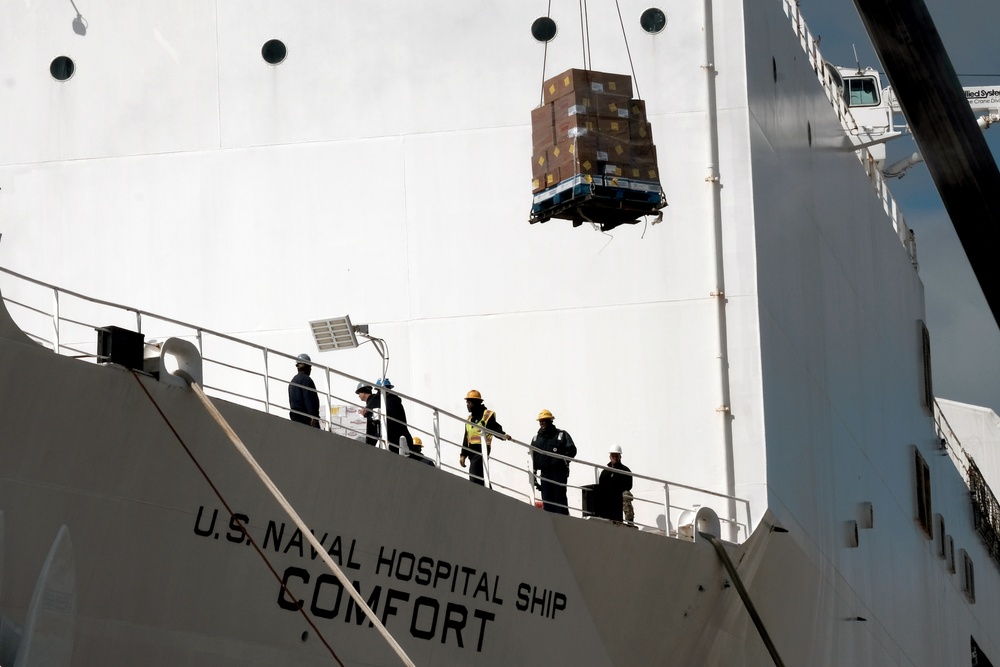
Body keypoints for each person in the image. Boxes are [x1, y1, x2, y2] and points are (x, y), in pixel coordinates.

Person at [460, 390, 511, 485]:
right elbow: (466, 438)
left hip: (481, 451)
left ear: (476, 403)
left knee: (474, 478)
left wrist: (503, 435)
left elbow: (495, 427)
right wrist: (463, 455)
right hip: (472, 453)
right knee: (481, 478)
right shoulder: (469, 419)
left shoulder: (486, 415)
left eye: (469, 402)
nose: (467, 405)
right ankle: (491, 496)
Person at [531, 409, 576, 514]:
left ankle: (564, 522)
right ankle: (549, 523)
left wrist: (562, 462)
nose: (542, 423)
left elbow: (572, 450)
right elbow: (532, 456)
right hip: (545, 474)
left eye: (544, 421)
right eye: (540, 421)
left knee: (560, 500)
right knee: (547, 501)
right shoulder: (536, 439)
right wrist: (533, 475)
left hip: (558, 473)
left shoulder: (561, 435)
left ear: (550, 421)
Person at [597, 444, 633, 522]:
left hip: (619, 498)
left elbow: (629, 485)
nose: (615, 457)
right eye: (613, 455)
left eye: (617, 455)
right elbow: (601, 487)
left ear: (620, 456)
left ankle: (630, 521)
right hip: (608, 498)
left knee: (626, 495)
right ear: (610, 457)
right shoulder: (605, 472)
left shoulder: (625, 471)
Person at [378, 378, 413, 454]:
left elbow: (392, 420)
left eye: (378, 391)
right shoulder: (395, 401)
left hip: (396, 439)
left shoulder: (389, 402)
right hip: (403, 437)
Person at [288, 353, 320, 427]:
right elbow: (309, 399)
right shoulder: (306, 380)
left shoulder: (293, 381)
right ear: (308, 367)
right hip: (306, 418)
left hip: (295, 417)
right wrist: (314, 416)